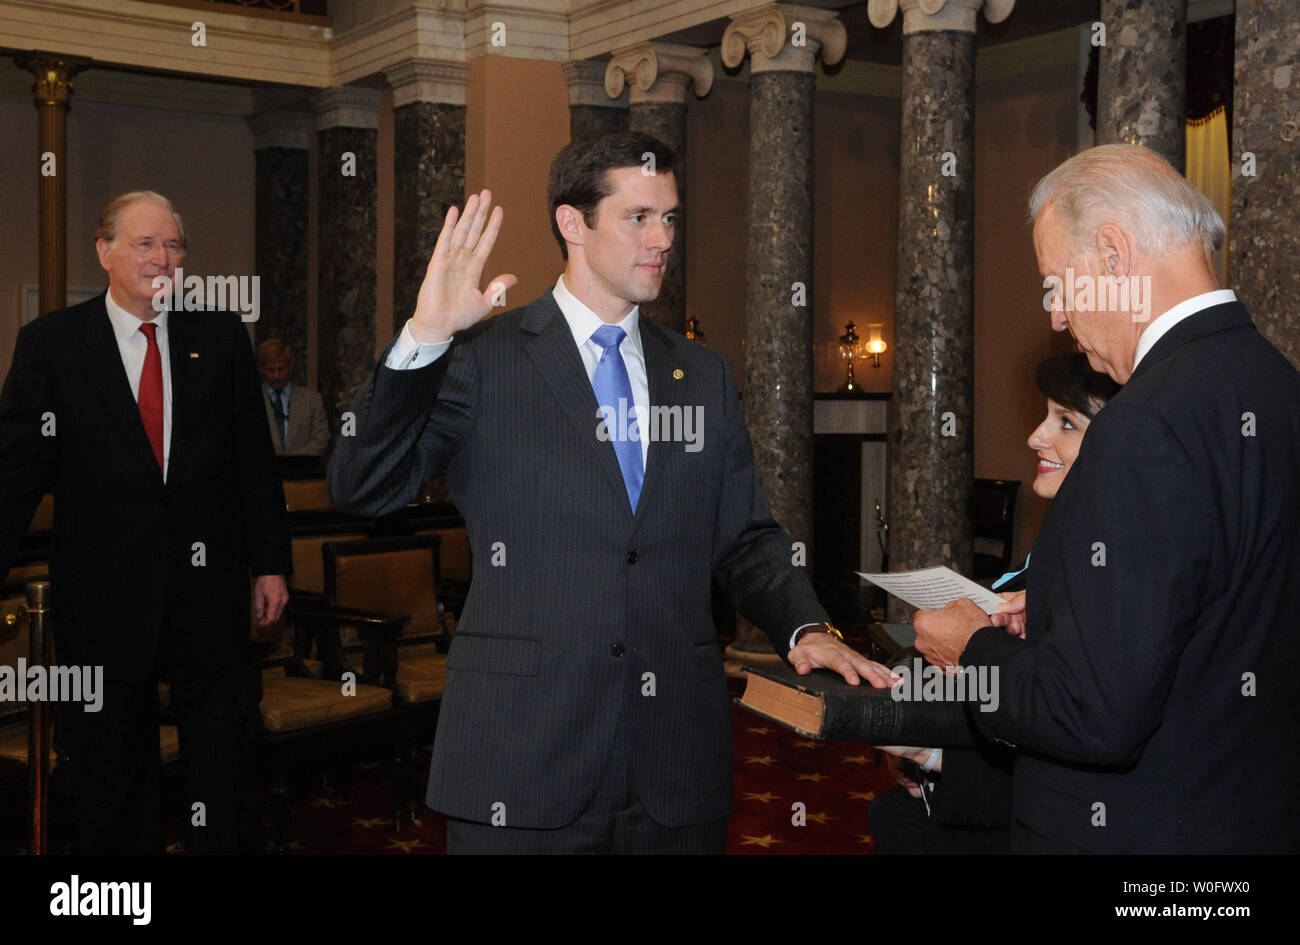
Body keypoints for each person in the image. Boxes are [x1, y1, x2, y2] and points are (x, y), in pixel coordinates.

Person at [329, 130, 895, 853]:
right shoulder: (481, 362)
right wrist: (423, 338)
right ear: (574, 223)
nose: (662, 239)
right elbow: (361, 485)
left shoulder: (702, 374)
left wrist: (805, 627)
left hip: (674, 764)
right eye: (638, 217)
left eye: (670, 218)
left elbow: (746, 535)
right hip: (521, 757)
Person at [913, 144, 1300, 853]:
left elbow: (1094, 713)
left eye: (1057, 284)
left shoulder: (1143, 424)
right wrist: (1068, 609)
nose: (1057, 316)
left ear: (1115, 256)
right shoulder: (1277, 385)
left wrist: (974, 649)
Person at [0, 190, 291, 853]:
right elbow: (12, 476)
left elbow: (254, 464)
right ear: (104, 252)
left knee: (222, 772)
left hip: (209, 596)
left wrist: (270, 560)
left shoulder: (219, 338)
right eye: (145, 243)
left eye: (175, 245)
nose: (163, 258)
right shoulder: (52, 345)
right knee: (112, 780)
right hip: (103, 605)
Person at [869, 353, 1118, 854]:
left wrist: (934, 753)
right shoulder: (1059, 546)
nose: (1035, 436)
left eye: (1065, 422)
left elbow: (1084, 754)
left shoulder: (1118, 571)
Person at [258, 338, 330, 457]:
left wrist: (293, 461)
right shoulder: (251, 400)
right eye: (270, 370)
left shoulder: (312, 400)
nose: (276, 376)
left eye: (281, 369)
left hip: (303, 471)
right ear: (261, 369)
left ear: (290, 367)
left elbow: (321, 438)